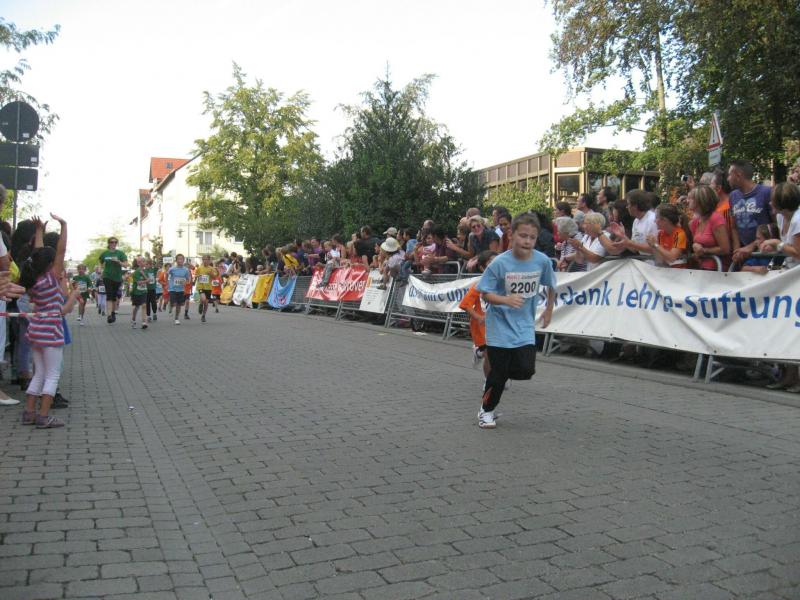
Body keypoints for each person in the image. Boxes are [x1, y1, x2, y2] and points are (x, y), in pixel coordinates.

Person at [475, 212, 556, 429]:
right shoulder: (499, 263)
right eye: (523, 236)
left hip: (524, 325)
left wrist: (549, 309)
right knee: (498, 375)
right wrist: (506, 300)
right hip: (499, 325)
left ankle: (502, 374)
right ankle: (486, 411)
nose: (527, 241)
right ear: (511, 235)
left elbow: (551, 285)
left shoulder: (542, 261)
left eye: (532, 237)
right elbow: (485, 293)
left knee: (526, 369)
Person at [20, 214, 80, 429]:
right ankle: (44, 416)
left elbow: (38, 254)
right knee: (52, 375)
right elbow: (61, 250)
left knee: (39, 373)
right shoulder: (52, 278)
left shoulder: (35, 279)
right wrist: (64, 226)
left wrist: (39, 232)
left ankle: (29, 413)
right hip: (51, 333)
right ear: (51, 264)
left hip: (36, 332)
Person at [759, 182, 800, 390]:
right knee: (786, 327)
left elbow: (798, 252)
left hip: (797, 276)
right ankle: (788, 375)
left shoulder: (798, 220)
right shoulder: (781, 218)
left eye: (773, 199)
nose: (769, 203)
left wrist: (778, 244)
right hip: (789, 276)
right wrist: (772, 247)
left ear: (782, 202)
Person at [459, 250, 497, 380]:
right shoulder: (479, 285)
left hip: (499, 325)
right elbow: (465, 304)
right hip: (482, 326)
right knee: (490, 354)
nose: (495, 264)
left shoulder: (505, 282)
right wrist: (479, 317)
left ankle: (478, 352)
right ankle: (490, 382)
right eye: (491, 262)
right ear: (482, 267)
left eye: (497, 261)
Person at [729, 160, 773, 265]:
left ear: (738, 175)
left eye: (729, 175)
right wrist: (737, 250)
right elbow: (734, 227)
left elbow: (775, 225)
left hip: (765, 253)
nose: (728, 179)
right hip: (743, 254)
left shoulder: (766, 192)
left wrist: (752, 246)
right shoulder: (733, 196)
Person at [688, 184, 731, 271]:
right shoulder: (694, 223)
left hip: (717, 269)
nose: (687, 200)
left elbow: (725, 249)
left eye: (690, 198)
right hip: (701, 269)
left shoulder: (716, 219)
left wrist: (704, 250)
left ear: (700, 201)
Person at [646, 204, 690, 268]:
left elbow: (672, 258)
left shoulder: (679, 234)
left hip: (679, 271)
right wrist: (653, 246)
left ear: (665, 220)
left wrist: (655, 245)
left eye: (656, 217)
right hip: (666, 270)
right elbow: (659, 260)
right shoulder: (661, 233)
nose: (654, 221)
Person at [98, 237, 128, 323]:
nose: (113, 244)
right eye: (112, 242)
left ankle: (113, 312)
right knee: (109, 295)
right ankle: (109, 315)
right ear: (109, 243)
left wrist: (118, 261)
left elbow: (126, 265)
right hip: (107, 276)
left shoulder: (120, 253)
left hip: (117, 277)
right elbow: (100, 262)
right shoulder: (105, 253)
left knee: (114, 297)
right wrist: (100, 269)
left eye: (115, 242)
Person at [168, 254, 192, 325]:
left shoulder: (186, 270)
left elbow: (188, 278)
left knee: (179, 304)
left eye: (181, 259)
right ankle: (171, 305)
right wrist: (167, 283)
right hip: (172, 289)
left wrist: (187, 282)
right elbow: (167, 275)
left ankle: (176, 318)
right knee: (174, 303)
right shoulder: (172, 269)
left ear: (183, 260)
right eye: (178, 259)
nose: (180, 260)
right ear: (176, 260)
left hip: (181, 289)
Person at [194, 254, 218, 322]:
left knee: (206, 303)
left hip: (208, 287)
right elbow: (195, 275)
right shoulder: (199, 268)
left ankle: (203, 315)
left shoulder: (211, 269)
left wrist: (211, 274)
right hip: (200, 286)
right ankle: (201, 304)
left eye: (206, 259)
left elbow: (215, 277)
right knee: (203, 299)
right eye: (204, 259)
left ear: (209, 260)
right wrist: (198, 276)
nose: (205, 261)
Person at [129, 256, 149, 329]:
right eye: (140, 262)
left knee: (144, 305)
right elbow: (139, 283)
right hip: (136, 292)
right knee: (136, 307)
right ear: (138, 263)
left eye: (143, 261)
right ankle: (133, 319)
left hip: (144, 291)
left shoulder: (145, 271)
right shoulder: (136, 272)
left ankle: (144, 322)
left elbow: (148, 281)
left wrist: (143, 275)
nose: (142, 263)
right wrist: (146, 281)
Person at [144, 258, 159, 322]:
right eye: (145, 264)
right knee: (147, 303)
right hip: (146, 289)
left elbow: (157, 265)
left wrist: (158, 259)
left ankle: (154, 313)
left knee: (153, 302)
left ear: (150, 265)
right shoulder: (144, 271)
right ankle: (148, 316)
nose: (146, 265)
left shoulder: (153, 270)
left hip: (152, 289)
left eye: (147, 264)